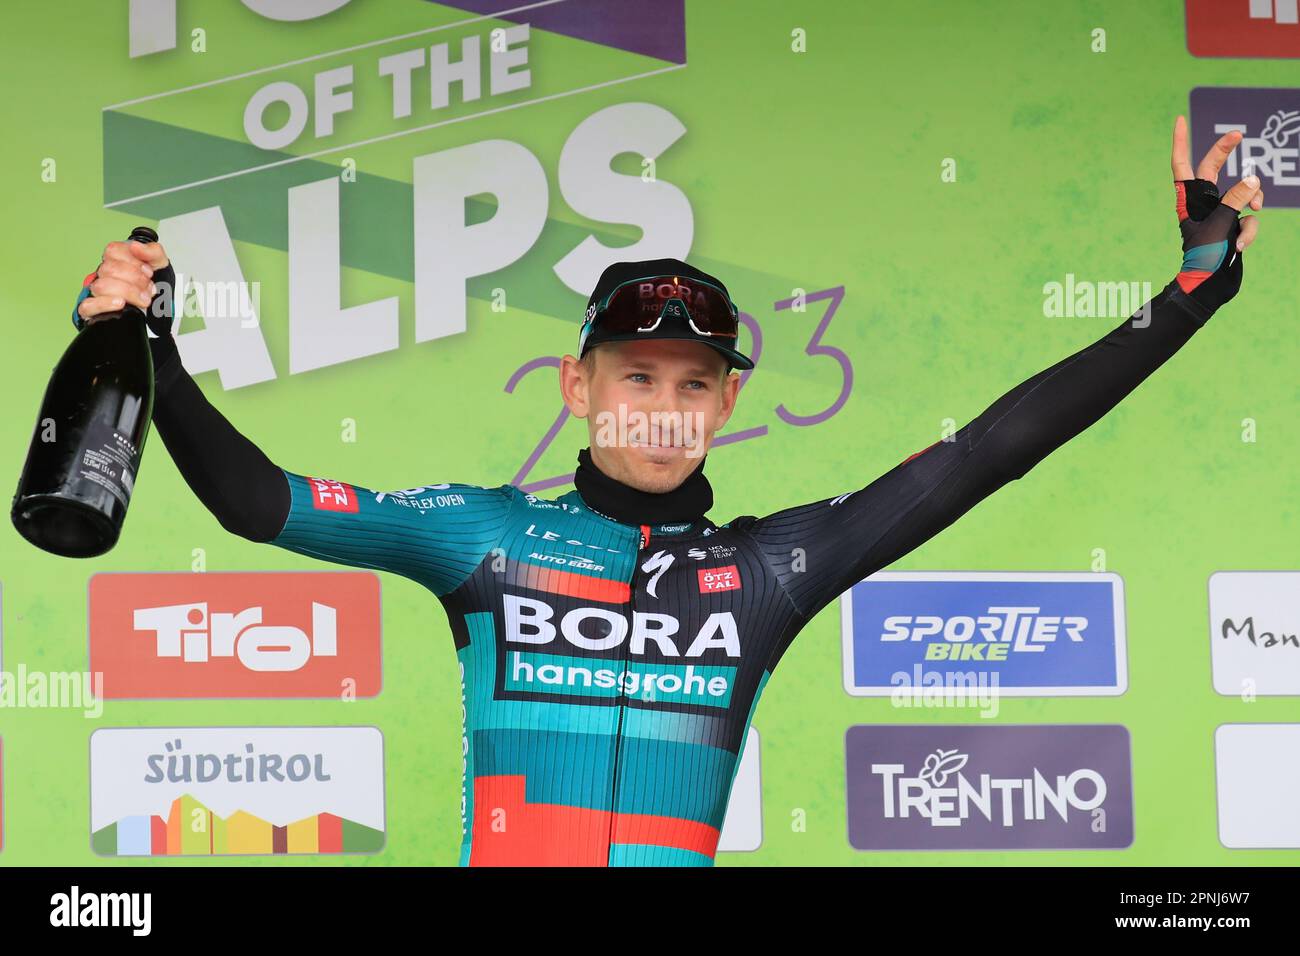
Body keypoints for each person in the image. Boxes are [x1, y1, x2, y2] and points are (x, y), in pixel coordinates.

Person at [72, 118, 1262, 866]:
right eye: (634, 371)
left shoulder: (772, 569)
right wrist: (153, 348)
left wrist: (1191, 291)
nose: (661, 401)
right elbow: (255, 499)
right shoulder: (487, 536)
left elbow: (993, 448)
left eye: (693, 381)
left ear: (724, 406)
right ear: (578, 387)